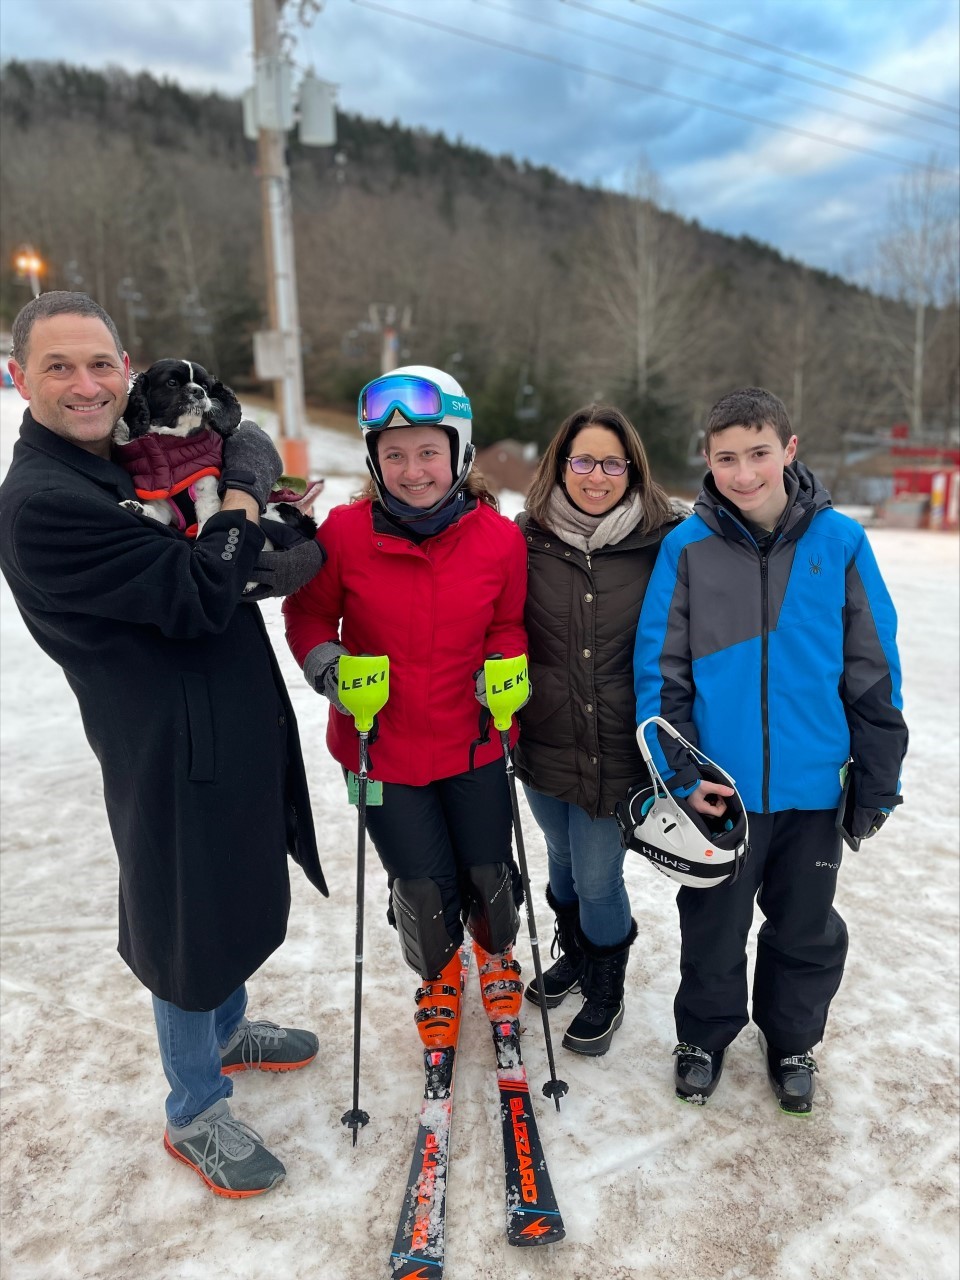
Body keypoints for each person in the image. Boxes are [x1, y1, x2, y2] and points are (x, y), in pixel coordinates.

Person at [0, 292, 328, 1198]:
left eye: (101, 362)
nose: (86, 383)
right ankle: (195, 1107)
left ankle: (226, 1027)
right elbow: (202, 583)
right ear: (18, 377)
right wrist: (246, 493)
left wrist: (255, 521)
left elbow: (237, 559)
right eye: (58, 365)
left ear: (126, 367)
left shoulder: (125, 464)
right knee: (185, 912)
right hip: (163, 743)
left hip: (222, 714)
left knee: (232, 882)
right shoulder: (43, 504)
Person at [634, 387, 908, 1114]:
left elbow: (873, 665)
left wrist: (878, 778)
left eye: (759, 452)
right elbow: (661, 672)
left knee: (806, 928)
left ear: (790, 449)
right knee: (714, 929)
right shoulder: (686, 548)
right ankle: (704, 1035)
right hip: (722, 793)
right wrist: (682, 776)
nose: (744, 471)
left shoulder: (840, 541)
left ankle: (791, 1040)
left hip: (814, 790)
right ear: (707, 460)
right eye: (727, 457)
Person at [283, 365, 528, 1091]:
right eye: (394, 455)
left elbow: (510, 621)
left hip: (476, 740)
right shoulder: (344, 534)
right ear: (372, 461)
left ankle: (496, 961)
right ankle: (439, 979)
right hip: (375, 748)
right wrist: (327, 663)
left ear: (458, 451)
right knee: (420, 888)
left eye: (428, 451)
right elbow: (304, 616)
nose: (413, 470)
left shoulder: (497, 539)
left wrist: (507, 664)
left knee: (488, 876)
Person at [514, 404, 683, 1056]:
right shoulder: (525, 538)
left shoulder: (664, 539)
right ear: (561, 464)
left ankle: (606, 981)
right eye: (582, 460)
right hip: (542, 738)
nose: (596, 475)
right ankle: (578, 955)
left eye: (612, 462)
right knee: (559, 863)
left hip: (616, 746)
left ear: (632, 469)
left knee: (598, 878)